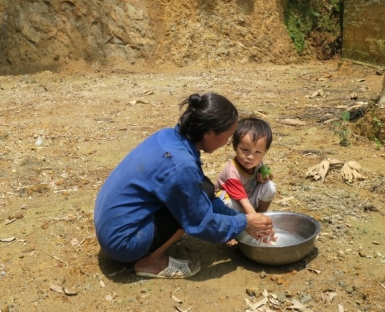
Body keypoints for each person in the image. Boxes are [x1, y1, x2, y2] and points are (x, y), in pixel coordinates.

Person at [93, 93, 274, 279]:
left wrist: (239, 218)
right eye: (227, 137)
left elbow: (203, 193)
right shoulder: (180, 164)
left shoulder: (169, 137)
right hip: (123, 241)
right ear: (209, 134)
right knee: (188, 208)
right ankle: (150, 262)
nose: (228, 142)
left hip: (111, 223)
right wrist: (243, 222)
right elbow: (200, 222)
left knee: (204, 188)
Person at [215, 117, 276, 215]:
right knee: (227, 202)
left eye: (257, 152)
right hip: (232, 204)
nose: (251, 157)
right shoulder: (232, 174)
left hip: (247, 199)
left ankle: (260, 214)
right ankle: (245, 222)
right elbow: (241, 200)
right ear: (235, 146)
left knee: (269, 186)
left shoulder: (258, 164)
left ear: (265, 152)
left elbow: (258, 182)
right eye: (245, 150)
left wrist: (262, 180)